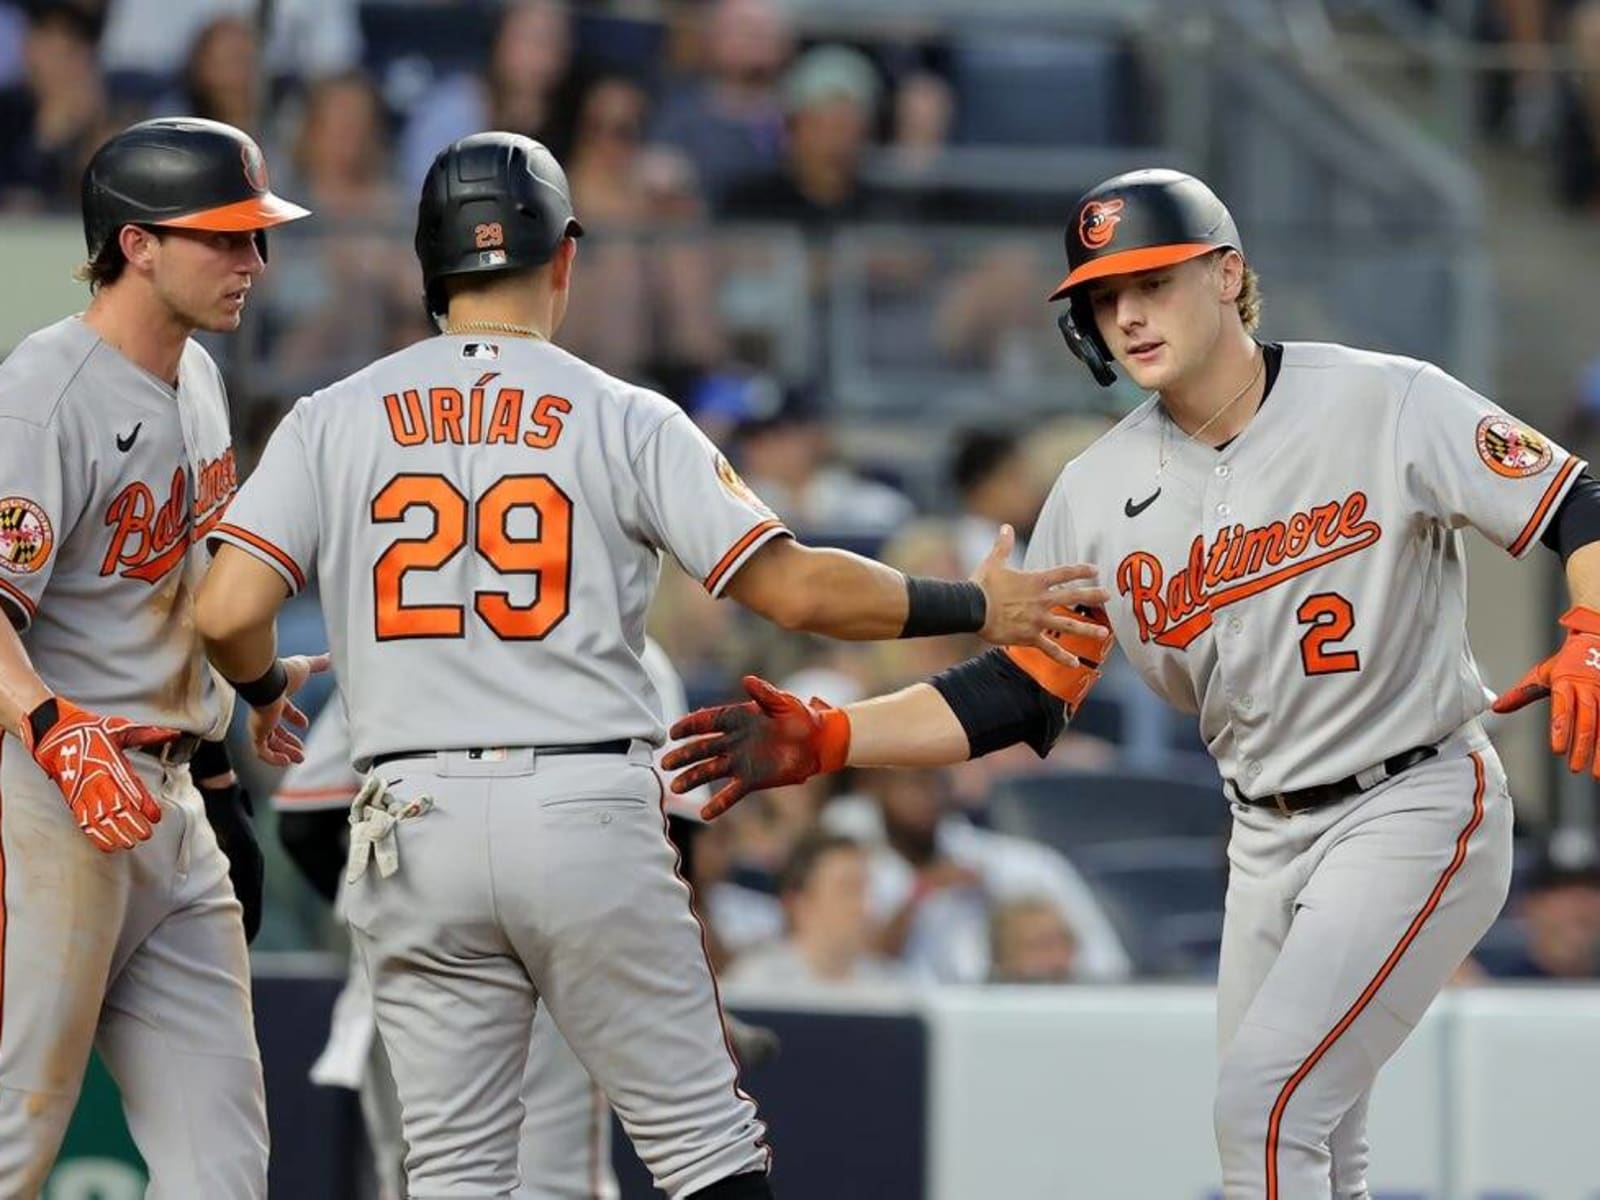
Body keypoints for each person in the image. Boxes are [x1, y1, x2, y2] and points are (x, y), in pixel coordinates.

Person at [191, 131, 1099, 1199]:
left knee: (454, 1177)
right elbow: (795, 590)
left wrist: (258, 694)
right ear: (564, 258)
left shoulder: (330, 417)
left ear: (429, 268)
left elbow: (228, 610)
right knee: (704, 1150)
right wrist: (976, 603)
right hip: (581, 801)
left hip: (410, 815)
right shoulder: (620, 412)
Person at [666, 167, 1600, 1199]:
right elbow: (1017, 691)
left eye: (1151, 281)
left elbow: (1577, 502)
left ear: (1228, 274)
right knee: (1295, 1145)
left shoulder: (1383, 396)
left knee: (1266, 1101)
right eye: (1104, 298)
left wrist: (1590, 626)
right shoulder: (1099, 491)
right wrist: (836, 736)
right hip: (1264, 831)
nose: (1126, 314)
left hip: (1414, 798)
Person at [0, 116, 309, 1196]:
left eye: (254, 237)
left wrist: (231, 745)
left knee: (222, 1165)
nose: (251, 262)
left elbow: (174, 598)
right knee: (14, 1140)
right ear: (137, 243)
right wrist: (47, 724)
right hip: (52, 802)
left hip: (172, 803)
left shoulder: (200, 378)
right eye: (224, 237)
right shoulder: (46, 387)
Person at [723, 830, 908, 992]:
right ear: (800, 905)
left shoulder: (894, 990)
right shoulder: (753, 984)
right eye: (848, 888)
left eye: (865, 890)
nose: (864, 905)